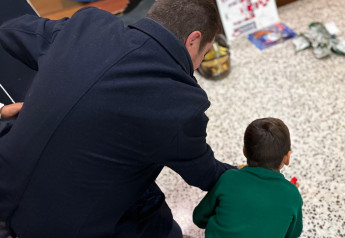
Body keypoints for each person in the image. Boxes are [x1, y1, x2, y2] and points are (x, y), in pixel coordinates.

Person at [0, 0, 234, 237]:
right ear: (193, 40)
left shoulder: (86, 25)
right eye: (204, 54)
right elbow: (207, 174)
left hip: (5, 184)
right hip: (62, 229)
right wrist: (258, 174)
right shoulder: (182, 104)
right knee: (154, 210)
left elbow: (10, 31)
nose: (199, 63)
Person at [193, 118, 303, 238]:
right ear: (287, 157)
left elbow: (199, 217)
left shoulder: (229, 178)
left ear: (244, 150)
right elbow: (292, 234)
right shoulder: (292, 196)